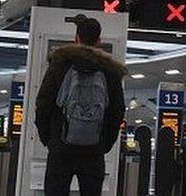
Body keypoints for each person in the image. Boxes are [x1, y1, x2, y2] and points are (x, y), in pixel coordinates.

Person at [36, 15, 127, 195]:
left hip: (61, 148)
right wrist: (104, 143)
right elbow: (117, 110)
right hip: (93, 150)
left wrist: (49, 138)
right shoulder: (110, 71)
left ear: (76, 38)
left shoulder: (59, 65)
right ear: (99, 41)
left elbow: (43, 103)